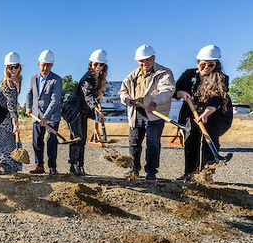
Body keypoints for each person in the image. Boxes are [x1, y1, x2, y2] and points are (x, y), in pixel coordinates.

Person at [175, 45, 233, 181]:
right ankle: (190, 174)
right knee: (191, 140)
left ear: (216, 65)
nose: (206, 67)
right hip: (192, 112)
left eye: (211, 64)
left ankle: (206, 174)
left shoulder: (222, 78)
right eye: (203, 64)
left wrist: (206, 113)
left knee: (209, 137)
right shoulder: (188, 74)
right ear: (198, 63)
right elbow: (176, 90)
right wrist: (181, 93)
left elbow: (217, 98)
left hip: (216, 114)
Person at [118, 45, 175, 180]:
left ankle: (151, 171)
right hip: (136, 112)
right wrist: (128, 100)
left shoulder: (164, 73)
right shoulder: (132, 75)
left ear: (153, 58)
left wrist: (154, 102)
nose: (144, 64)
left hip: (154, 113)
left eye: (147, 60)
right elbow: (122, 91)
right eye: (141, 61)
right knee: (134, 142)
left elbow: (167, 90)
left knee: (153, 142)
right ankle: (134, 169)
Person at [62, 49, 108, 176]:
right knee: (77, 139)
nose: (98, 67)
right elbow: (88, 96)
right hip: (74, 110)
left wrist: (99, 94)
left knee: (83, 139)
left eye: (101, 65)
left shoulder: (97, 78)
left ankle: (80, 167)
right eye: (95, 64)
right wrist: (97, 110)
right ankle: (74, 167)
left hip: (82, 111)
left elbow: (93, 96)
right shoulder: (87, 78)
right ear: (91, 63)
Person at [25, 50, 63, 175]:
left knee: (51, 141)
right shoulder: (33, 78)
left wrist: (46, 116)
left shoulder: (56, 80)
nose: (45, 67)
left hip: (51, 117)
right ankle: (39, 166)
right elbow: (29, 94)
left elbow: (55, 100)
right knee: (36, 141)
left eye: (48, 65)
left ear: (51, 66)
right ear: (38, 64)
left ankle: (52, 167)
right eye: (43, 65)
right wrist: (28, 108)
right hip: (36, 116)